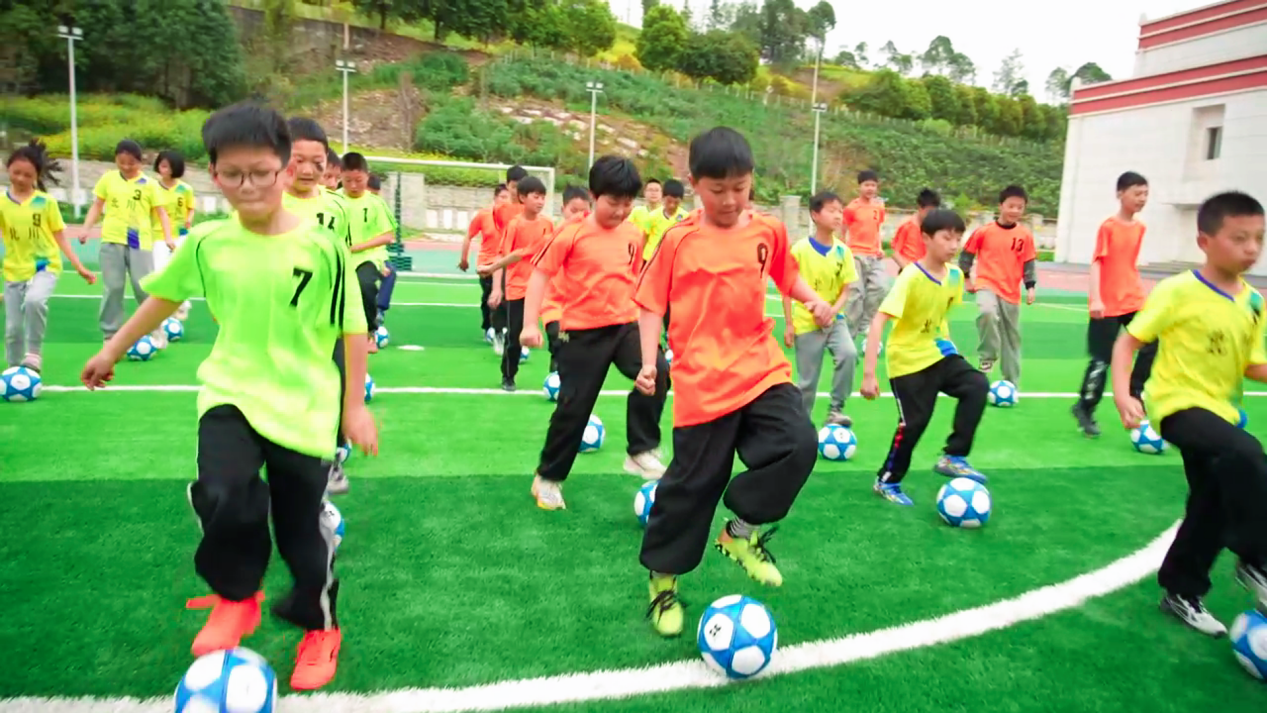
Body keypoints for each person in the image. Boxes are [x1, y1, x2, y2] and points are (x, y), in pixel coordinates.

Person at [79, 101, 377, 691]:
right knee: (221, 490)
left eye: (261, 171)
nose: (249, 185)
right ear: (213, 175)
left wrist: (354, 408)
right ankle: (236, 594)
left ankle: (319, 627)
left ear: (286, 167)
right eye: (233, 174)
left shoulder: (324, 249)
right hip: (230, 393)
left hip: (304, 408)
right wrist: (112, 350)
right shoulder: (207, 242)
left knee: (300, 534)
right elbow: (161, 298)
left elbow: (352, 327)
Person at [634, 128, 831, 638]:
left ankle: (739, 533)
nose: (729, 199)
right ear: (694, 184)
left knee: (799, 444)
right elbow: (651, 300)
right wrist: (649, 359)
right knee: (693, 486)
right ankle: (663, 586)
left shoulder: (766, 230)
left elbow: (785, 273)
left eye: (740, 188)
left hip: (760, 366)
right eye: (717, 189)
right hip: (702, 379)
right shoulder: (679, 239)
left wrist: (811, 298)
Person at [1110, 191, 1267, 637]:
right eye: (1239, 238)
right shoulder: (1178, 290)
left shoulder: (1255, 302)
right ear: (1205, 240)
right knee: (1248, 455)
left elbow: (1251, 364)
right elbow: (1129, 341)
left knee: (1210, 503)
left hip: (1223, 412)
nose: (1252, 248)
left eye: (1259, 238)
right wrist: (1124, 394)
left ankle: (1181, 591)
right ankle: (1257, 561)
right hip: (1177, 405)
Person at [519, 157, 670, 510]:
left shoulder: (634, 232)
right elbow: (539, 275)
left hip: (624, 325)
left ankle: (640, 449)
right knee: (575, 407)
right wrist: (529, 325)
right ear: (593, 195)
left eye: (627, 203)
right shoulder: (571, 233)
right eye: (612, 202)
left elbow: (633, 277)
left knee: (658, 371)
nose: (620, 211)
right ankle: (548, 476)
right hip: (581, 333)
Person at [861, 208, 989, 506]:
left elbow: (940, 316)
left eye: (958, 238)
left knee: (977, 385)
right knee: (914, 423)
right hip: (906, 361)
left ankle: (954, 456)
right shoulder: (912, 278)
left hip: (937, 353)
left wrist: (949, 347)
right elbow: (879, 320)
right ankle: (887, 480)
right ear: (927, 239)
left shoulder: (956, 277)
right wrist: (870, 374)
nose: (954, 245)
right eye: (947, 238)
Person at [283, 118, 355, 494]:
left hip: (328, 320)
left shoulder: (336, 208)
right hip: (279, 323)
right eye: (298, 159)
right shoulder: (264, 203)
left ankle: (332, 458)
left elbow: (339, 262)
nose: (309, 170)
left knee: (336, 389)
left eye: (318, 161)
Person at [1071, 171, 1157, 437]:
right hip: (1106, 304)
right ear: (1121, 194)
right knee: (1101, 360)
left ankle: (1134, 391)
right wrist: (1096, 298)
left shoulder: (1140, 228)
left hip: (1132, 298)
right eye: (1136, 193)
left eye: (1145, 194)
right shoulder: (1108, 227)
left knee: (1152, 343)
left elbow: (1128, 264)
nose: (1142, 199)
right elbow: (1098, 262)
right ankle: (1085, 407)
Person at [2, 141, 95, 372]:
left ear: (37, 176)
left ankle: (33, 354)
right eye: (16, 173)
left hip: (44, 265)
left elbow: (60, 237)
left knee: (34, 301)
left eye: (27, 174)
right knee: (13, 327)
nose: (21, 178)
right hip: (14, 270)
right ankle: (14, 370)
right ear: (7, 169)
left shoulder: (46, 203)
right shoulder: (2, 202)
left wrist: (79, 266)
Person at [76, 139, 174, 344]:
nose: (127, 167)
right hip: (112, 239)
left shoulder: (149, 185)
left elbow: (161, 213)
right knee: (113, 287)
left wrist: (168, 237)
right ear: (116, 160)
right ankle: (110, 334)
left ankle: (154, 328)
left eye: (132, 163)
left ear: (141, 162)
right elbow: (97, 206)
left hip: (140, 242)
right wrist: (86, 228)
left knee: (143, 287)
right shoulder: (108, 179)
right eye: (122, 162)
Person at [782, 191, 857, 427]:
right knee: (807, 381)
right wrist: (789, 324)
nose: (838, 215)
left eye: (840, 211)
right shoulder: (800, 250)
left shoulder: (844, 252)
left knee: (849, 354)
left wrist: (832, 312)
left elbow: (846, 289)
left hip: (835, 321)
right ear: (815, 214)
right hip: (806, 322)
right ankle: (801, 425)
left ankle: (836, 410)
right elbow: (787, 287)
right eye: (831, 210)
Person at [960, 185, 1037, 385]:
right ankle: (987, 356)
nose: (1015, 211)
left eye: (1020, 208)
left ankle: (1011, 383)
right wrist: (967, 278)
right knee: (986, 312)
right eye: (1011, 206)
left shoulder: (1025, 235)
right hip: (987, 284)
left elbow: (1029, 263)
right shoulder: (984, 232)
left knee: (1012, 339)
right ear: (1001, 206)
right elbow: (966, 255)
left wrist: (1030, 287)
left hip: (1011, 292)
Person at [481, 177, 551, 390]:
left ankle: (558, 374)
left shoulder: (548, 224)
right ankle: (508, 376)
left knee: (557, 334)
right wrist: (496, 288)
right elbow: (506, 256)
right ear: (522, 198)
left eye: (543, 197)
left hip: (544, 289)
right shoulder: (515, 225)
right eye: (536, 197)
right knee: (515, 336)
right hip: (518, 288)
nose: (540, 202)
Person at [339, 152, 395, 353]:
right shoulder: (333, 201)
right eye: (348, 181)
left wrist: (358, 247)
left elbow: (388, 235)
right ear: (340, 176)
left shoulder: (375, 203)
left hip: (368, 257)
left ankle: (370, 331)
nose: (353, 186)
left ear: (367, 176)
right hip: (339, 258)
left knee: (365, 285)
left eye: (359, 180)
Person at [542, 185, 592, 372]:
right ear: (563, 210)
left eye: (584, 211)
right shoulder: (557, 235)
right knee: (559, 338)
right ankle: (556, 369)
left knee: (577, 349)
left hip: (581, 306)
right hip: (555, 304)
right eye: (573, 211)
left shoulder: (593, 238)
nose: (578, 215)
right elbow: (526, 253)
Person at [843, 170, 888, 351]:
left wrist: (880, 247)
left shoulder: (879, 207)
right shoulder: (852, 208)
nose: (870, 188)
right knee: (855, 295)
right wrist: (843, 251)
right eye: (866, 185)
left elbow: (878, 229)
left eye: (873, 185)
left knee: (881, 287)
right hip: (855, 255)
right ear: (859, 186)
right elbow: (843, 229)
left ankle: (867, 327)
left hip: (874, 255)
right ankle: (848, 340)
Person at [461, 184, 511, 341]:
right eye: (502, 197)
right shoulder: (484, 215)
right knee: (489, 296)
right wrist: (464, 259)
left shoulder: (514, 217)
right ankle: (489, 328)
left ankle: (503, 329)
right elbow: (468, 235)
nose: (505, 200)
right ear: (495, 198)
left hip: (505, 264)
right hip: (486, 263)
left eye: (508, 197)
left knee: (507, 298)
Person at [489, 166, 529, 355]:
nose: (517, 191)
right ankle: (498, 331)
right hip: (506, 259)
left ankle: (519, 336)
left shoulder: (530, 208)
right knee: (501, 299)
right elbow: (500, 234)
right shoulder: (501, 211)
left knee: (523, 303)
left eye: (521, 187)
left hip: (525, 263)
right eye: (514, 187)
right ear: (507, 186)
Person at [152, 150, 196, 321]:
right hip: (159, 235)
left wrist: (188, 220)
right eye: (162, 166)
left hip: (180, 234)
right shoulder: (153, 188)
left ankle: (182, 304)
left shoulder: (185, 189)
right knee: (160, 271)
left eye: (168, 167)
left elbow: (190, 207)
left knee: (179, 271)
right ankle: (164, 312)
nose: (164, 170)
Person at [889, 189, 940, 271]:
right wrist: (908, 270)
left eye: (934, 212)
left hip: (926, 272)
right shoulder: (907, 225)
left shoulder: (933, 227)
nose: (931, 215)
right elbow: (895, 253)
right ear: (920, 207)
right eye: (929, 211)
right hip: (908, 272)